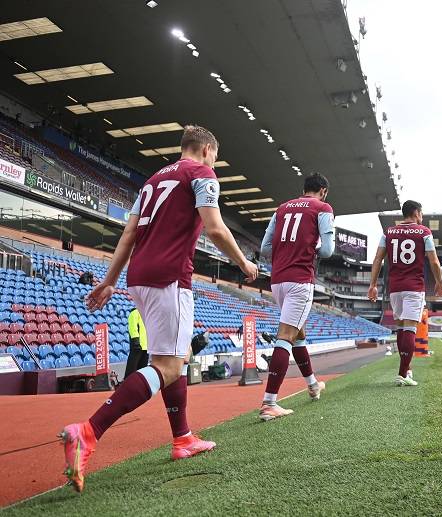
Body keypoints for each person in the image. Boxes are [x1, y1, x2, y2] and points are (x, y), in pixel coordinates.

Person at [61, 125, 259, 492]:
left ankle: (182, 438)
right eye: (215, 155)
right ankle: (87, 432)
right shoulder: (202, 173)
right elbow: (214, 228)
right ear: (206, 149)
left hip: (138, 276)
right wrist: (244, 264)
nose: (214, 161)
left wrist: (108, 281)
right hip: (170, 276)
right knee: (167, 366)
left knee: (175, 357)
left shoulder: (151, 182)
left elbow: (128, 235)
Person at [259, 173, 334, 421]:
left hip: (278, 279)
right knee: (286, 336)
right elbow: (327, 249)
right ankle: (269, 402)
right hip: (300, 280)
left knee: (298, 334)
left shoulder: (281, 209)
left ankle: (313, 384)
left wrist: (286, 252)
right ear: (322, 190)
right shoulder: (322, 208)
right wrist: (308, 248)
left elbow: (265, 248)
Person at [369, 200, 442, 385]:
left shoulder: (388, 232)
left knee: (401, 329)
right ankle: (403, 374)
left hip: (394, 288)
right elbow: (434, 262)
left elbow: (378, 258)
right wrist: (439, 283)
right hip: (414, 287)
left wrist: (373, 284)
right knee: (410, 329)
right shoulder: (424, 232)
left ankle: (407, 369)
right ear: (416, 213)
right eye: (422, 213)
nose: (422, 217)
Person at [125, 307, 148, 378]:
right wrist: (135, 340)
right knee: (132, 366)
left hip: (145, 346)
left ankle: (140, 383)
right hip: (137, 344)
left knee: (143, 368)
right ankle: (128, 381)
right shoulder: (134, 312)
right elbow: (133, 327)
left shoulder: (145, 314)